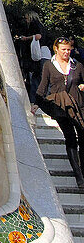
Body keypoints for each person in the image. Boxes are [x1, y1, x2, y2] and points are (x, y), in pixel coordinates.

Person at [36, 36, 84, 189]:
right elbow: (43, 85)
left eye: (69, 50)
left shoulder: (78, 66)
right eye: (64, 49)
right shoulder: (49, 66)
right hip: (61, 108)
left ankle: (82, 168)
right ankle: (79, 175)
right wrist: (37, 102)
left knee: (82, 137)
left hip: (78, 106)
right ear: (56, 49)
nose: (66, 52)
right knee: (70, 137)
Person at [29, 33, 52, 112]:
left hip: (40, 59)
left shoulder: (39, 39)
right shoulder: (47, 47)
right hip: (44, 59)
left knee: (38, 80)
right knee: (40, 80)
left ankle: (35, 100)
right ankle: (39, 100)